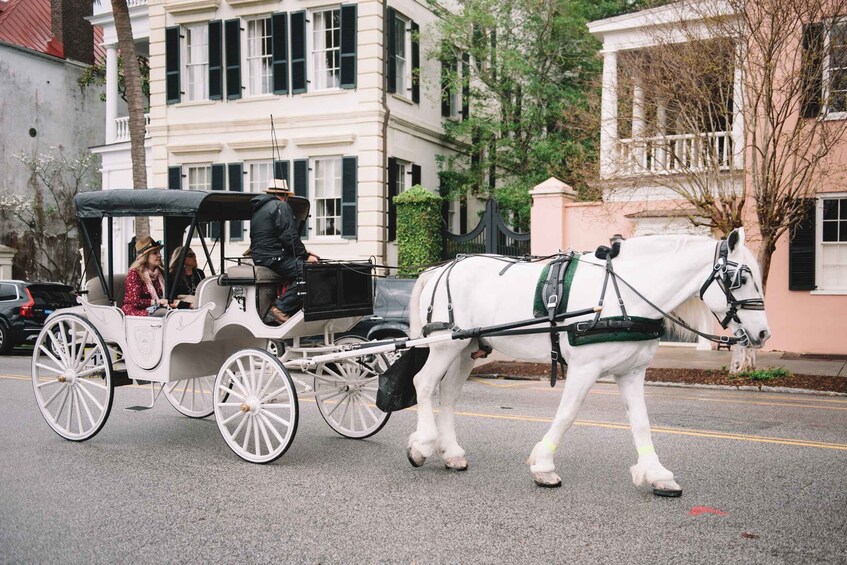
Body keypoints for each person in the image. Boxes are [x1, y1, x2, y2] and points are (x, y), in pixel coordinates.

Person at [250, 179, 319, 323]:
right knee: (309, 271)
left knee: (300, 266)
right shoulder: (281, 205)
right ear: (285, 195)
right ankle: (280, 308)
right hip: (274, 257)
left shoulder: (259, 209)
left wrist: (303, 254)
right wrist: (306, 256)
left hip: (261, 257)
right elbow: (289, 236)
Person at [122, 236, 169, 317]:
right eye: (155, 253)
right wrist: (157, 302)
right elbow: (135, 302)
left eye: (159, 252)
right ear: (145, 257)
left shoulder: (160, 272)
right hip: (135, 312)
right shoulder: (135, 273)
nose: (160, 255)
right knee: (166, 314)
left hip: (155, 308)